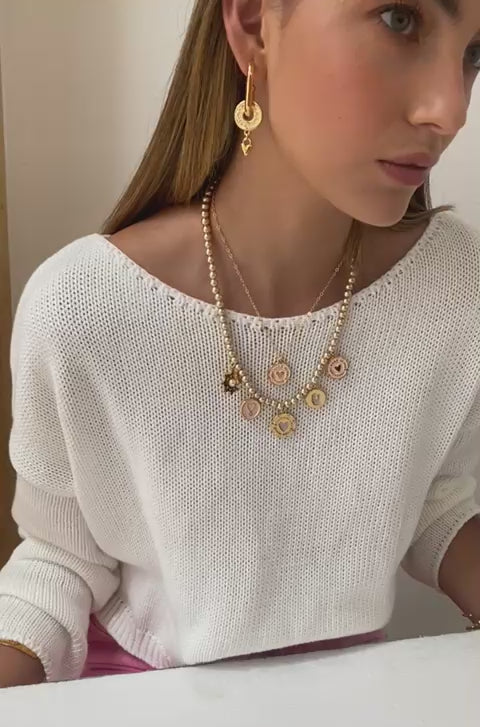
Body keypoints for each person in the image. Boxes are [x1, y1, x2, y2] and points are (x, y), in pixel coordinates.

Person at [1, 0, 480, 688]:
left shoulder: (454, 281)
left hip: (350, 711)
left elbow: (437, 498)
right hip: (142, 705)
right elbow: (59, 559)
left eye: (474, 54)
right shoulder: (84, 306)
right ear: (254, 24)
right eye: (400, 20)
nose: (451, 110)